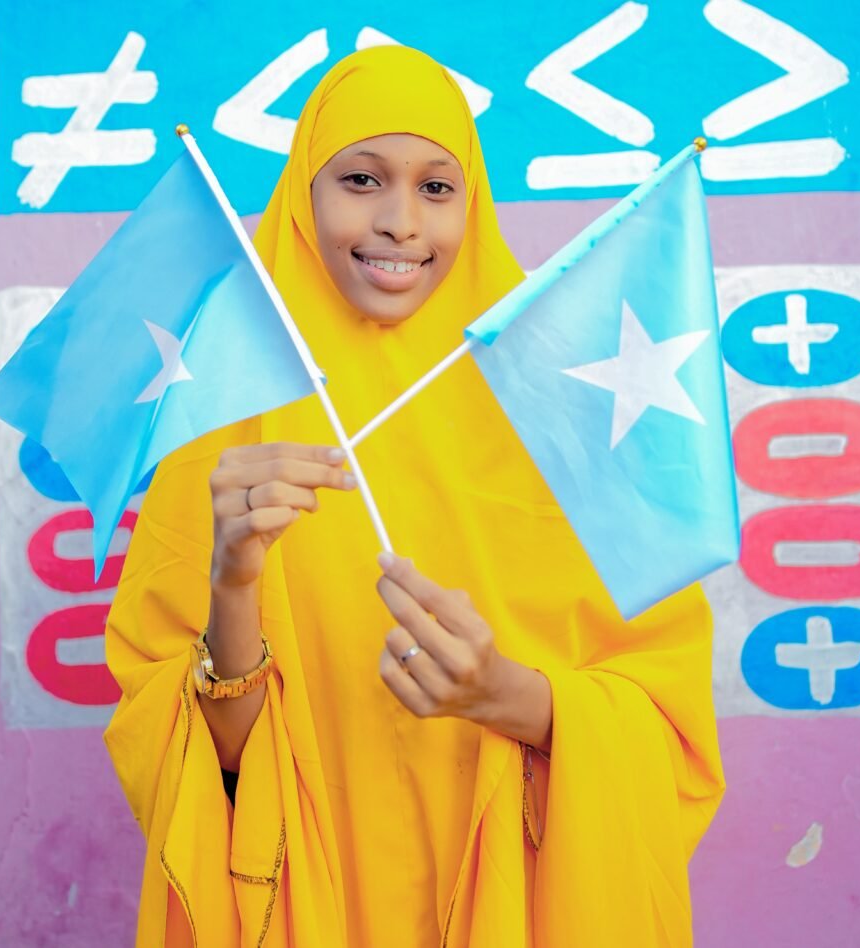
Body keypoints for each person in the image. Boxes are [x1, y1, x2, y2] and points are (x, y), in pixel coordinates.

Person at [104, 45, 724, 948]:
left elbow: (670, 732)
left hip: (516, 907)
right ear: (303, 195)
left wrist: (505, 695)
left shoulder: (568, 411)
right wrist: (232, 590)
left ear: (474, 203)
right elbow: (202, 778)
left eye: (437, 188)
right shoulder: (222, 419)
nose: (399, 223)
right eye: (360, 180)